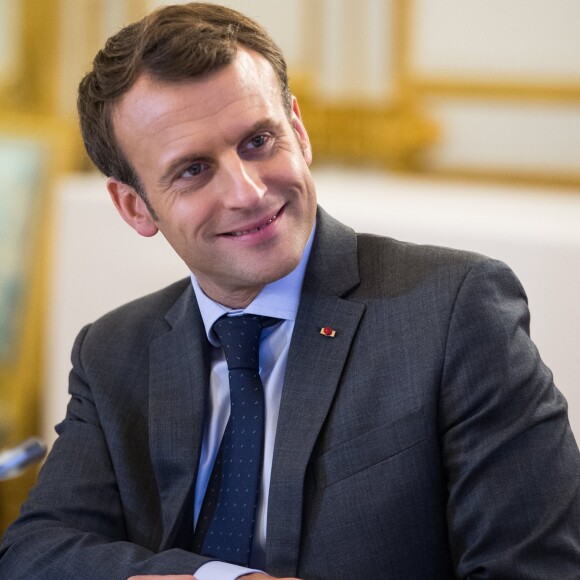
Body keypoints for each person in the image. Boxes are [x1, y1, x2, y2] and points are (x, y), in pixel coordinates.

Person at [1, 3, 579, 579]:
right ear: (135, 206)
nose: (248, 192)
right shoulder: (112, 350)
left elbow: (533, 570)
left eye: (258, 141)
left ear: (298, 133)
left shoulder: (456, 311)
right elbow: (36, 551)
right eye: (194, 170)